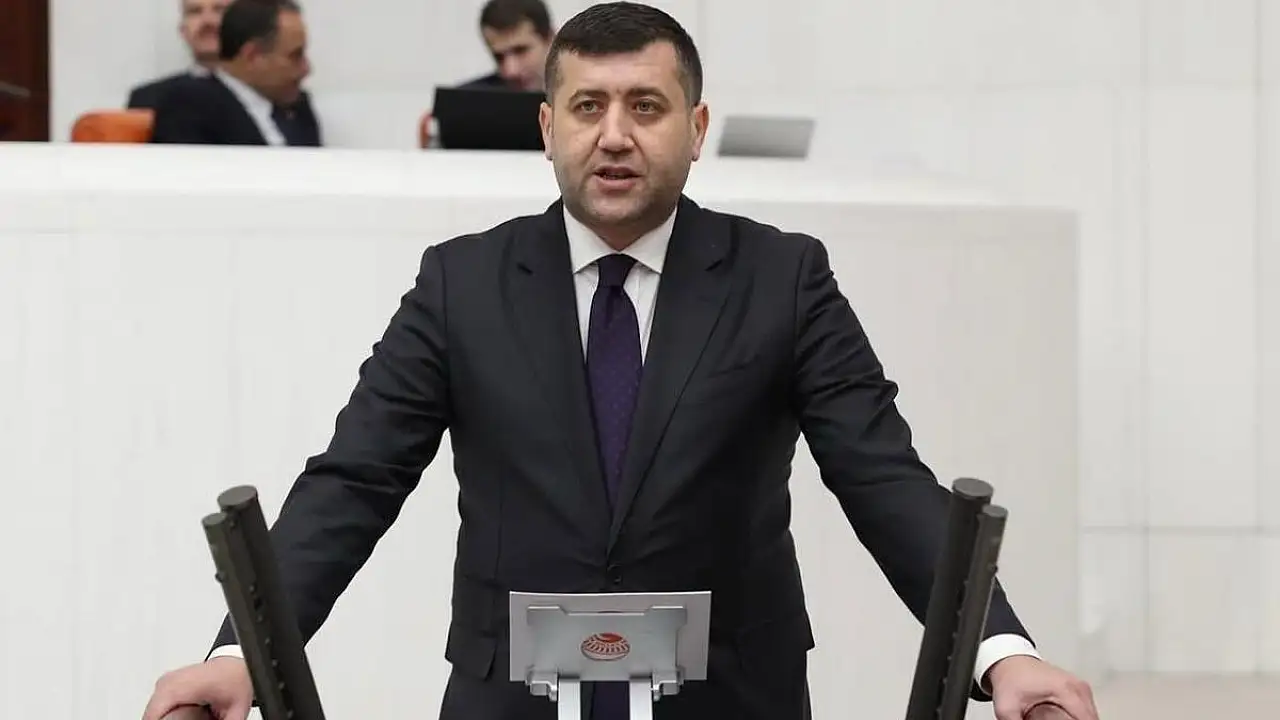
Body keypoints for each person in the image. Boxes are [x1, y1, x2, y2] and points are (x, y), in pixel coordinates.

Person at [142, 3, 1100, 720]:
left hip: (731, 697)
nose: (614, 134)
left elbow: (882, 474)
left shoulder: (783, 278)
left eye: (646, 105)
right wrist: (241, 654)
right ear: (546, 128)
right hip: (512, 698)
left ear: (697, 127)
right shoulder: (460, 283)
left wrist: (1000, 650)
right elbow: (354, 481)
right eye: (588, 106)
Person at [149, 0, 321, 147]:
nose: (306, 69)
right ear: (252, 56)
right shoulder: (188, 106)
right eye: (295, 56)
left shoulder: (298, 108)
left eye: (219, 9)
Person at [126, 0, 227, 110]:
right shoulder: (147, 99)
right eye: (195, 11)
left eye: (220, 10)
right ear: (183, 30)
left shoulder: (243, 91)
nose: (208, 20)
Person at [461, 0, 555, 91]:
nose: (511, 71)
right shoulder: (467, 98)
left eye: (520, 51)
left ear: (552, 41)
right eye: (499, 57)